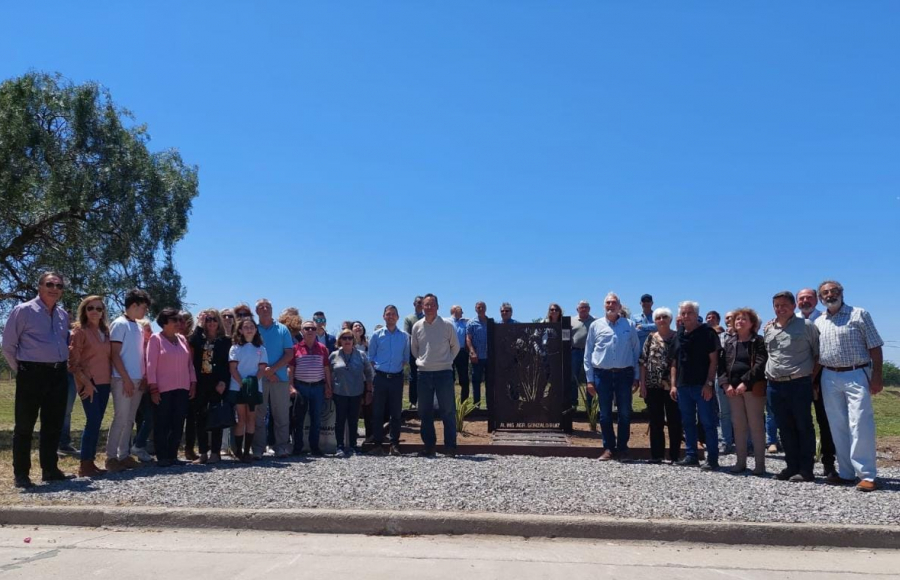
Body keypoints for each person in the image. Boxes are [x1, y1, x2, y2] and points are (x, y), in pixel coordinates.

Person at [3, 272, 73, 488]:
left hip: (58, 374)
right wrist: (22, 370)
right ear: (40, 287)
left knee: (53, 425)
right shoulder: (23, 311)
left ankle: (50, 469)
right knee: (24, 426)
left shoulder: (62, 315)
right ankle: (21, 474)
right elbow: (8, 346)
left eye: (59, 285)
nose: (55, 288)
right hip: (31, 374)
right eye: (50, 284)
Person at [815, 280, 884, 492]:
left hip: (856, 373)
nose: (829, 295)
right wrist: (813, 382)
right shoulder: (819, 321)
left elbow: (875, 346)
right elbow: (818, 356)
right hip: (828, 375)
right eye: (825, 293)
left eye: (833, 291)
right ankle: (846, 472)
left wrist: (877, 376)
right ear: (820, 298)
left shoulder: (859, 314)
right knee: (837, 425)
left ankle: (867, 475)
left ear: (841, 293)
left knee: (860, 423)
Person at [765, 291, 821, 482]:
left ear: (793, 306)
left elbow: (818, 355)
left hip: (798, 383)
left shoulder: (806, 326)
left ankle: (806, 469)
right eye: (776, 305)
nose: (780, 309)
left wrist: (810, 378)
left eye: (784, 305)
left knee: (803, 426)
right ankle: (791, 466)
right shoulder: (769, 328)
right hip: (774, 385)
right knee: (784, 427)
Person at [584, 292, 640, 461]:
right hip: (603, 375)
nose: (610, 305)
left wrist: (636, 376)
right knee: (605, 414)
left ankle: (622, 449)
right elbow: (588, 354)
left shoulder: (629, 325)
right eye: (608, 303)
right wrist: (590, 380)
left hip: (624, 374)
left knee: (624, 413)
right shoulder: (596, 326)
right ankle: (608, 448)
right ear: (604, 306)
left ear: (619, 306)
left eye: (613, 303)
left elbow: (636, 351)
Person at [105, 288, 151, 474]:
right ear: (133, 305)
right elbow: (114, 354)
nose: (145, 311)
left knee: (130, 419)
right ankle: (110, 457)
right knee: (120, 418)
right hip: (122, 378)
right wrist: (125, 379)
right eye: (143, 307)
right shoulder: (119, 324)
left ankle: (123, 455)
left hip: (137, 379)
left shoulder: (139, 327)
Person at [719, 308, 768, 476]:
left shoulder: (758, 341)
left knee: (756, 426)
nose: (739, 321)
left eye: (744, 319)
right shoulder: (729, 342)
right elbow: (722, 365)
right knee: (738, 426)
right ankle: (740, 462)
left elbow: (760, 364)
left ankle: (760, 465)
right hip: (732, 390)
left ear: (752, 323)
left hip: (752, 389)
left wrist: (745, 382)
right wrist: (725, 384)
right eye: (737, 319)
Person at [672, 301, 720, 470]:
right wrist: (673, 385)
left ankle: (712, 457)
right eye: (683, 313)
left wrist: (709, 383)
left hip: (702, 385)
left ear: (696, 314)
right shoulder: (679, 335)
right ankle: (691, 455)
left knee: (708, 422)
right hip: (683, 385)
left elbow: (714, 360)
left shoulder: (707, 332)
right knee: (688, 422)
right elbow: (674, 362)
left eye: (689, 313)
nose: (686, 316)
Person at [68, 296, 113, 477]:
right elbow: (72, 363)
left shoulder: (106, 332)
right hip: (89, 384)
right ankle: (84, 464)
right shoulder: (79, 332)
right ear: (84, 311)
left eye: (99, 309)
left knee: (97, 422)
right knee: (92, 421)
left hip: (105, 383)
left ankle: (91, 462)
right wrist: (86, 383)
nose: (95, 311)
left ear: (103, 312)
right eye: (90, 308)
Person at [146, 308, 197, 467]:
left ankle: (173, 455)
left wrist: (193, 383)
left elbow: (189, 364)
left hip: (182, 388)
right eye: (175, 320)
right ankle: (162, 456)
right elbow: (150, 365)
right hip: (163, 390)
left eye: (179, 320)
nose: (179, 323)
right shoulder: (156, 339)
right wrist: (153, 388)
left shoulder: (182, 339)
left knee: (178, 422)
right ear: (164, 323)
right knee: (162, 423)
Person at [411, 294, 460, 457]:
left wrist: (446, 361)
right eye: (426, 305)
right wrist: (424, 361)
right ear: (422, 307)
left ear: (438, 307)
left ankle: (450, 448)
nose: (429, 307)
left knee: (448, 411)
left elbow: (456, 347)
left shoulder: (447, 325)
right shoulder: (417, 326)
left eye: (432, 305)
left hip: (444, 373)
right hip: (424, 374)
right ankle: (429, 447)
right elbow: (414, 349)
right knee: (424, 412)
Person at [796, 287, 836, 477]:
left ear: (817, 300)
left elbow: (822, 352)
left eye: (809, 297)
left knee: (824, 421)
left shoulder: (824, 319)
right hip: (796, 379)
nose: (805, 301)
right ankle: (802, 462)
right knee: (799, 421)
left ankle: (829, 463)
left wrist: (812, 379)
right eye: (801, 298)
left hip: (820, 377)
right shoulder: (791, 320)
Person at [251, 299, 294, 459]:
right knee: (258, 415)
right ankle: (258, 448)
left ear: (272, 309)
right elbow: (249, 352)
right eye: (261, 307)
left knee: (281, 414)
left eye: (267, 306)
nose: (265, 309)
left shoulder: (282, 329)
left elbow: (289, 353)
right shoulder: (253, 329)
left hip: (280, 379)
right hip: (259, 378)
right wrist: (266, 372)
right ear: (256, 311)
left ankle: (281, 446)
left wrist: (273, 370)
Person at [187, 309, 231, 464]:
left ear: (218, 322)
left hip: (217, 383)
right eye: (208, 320)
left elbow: (227, 365)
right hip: (201, 382)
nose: (211, 322)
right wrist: (199, 325)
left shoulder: (225, 341)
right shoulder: (199, 338)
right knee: (201, 418)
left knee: (216, 418)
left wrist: (224, 381)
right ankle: (203, 452)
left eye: (214, 319)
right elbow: (191, 342)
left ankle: (215, 452)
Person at [639, 307, 682, 463]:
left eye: (665, 317)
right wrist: (642, 384)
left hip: (672, 386)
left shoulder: (677, 337)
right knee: (656, 420)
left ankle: (675, 455)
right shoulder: (650, 338)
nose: (661, 320)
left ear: (670, 320)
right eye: (658, 317)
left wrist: (674, 384)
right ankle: (657, 455)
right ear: (655, 321)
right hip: (652, 385)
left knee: (674, 421)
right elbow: (643, 362)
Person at [368, 305, 410, 456]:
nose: (391, 316)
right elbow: (371, 357)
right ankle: (378, 444)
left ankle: (394, 444)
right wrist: (380, 369)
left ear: (397, 317)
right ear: (383, 317)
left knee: (396, 413)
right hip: (380, 378)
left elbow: (406, 358)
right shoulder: (376, 335)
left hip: (396, 379)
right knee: (378, 412)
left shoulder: (404, 336)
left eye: (393, 314)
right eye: (388, 314)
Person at [291, 320, 332, 456]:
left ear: (316, 331)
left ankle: (315, 447)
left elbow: (326, 369)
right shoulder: (295, 348)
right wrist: (291, 387)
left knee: (316, 419)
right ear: (302, 331)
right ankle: (298, 447)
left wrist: (328, 386)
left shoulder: (322, 349)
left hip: (318, 388)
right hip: (300, 387)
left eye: (312, 329)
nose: (310, 331)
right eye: (306, 328)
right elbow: (291, 369)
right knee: (299, 419)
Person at [228, 317, 267, 463]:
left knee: (251, 418)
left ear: (256, 330)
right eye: (246, 327)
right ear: (240, 330)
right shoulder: (235, 348)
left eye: (252, 327)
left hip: (254, 389)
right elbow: (233, 368)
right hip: (238, 388)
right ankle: (238, 450)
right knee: (241, 419)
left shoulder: (261, 349)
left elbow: (262, 369)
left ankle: (247, 451)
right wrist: (243, 383)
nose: (249, 329)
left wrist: (252, 383)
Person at [331, 329, 374, 455]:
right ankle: (339, 446)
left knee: (353, 420)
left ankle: (353, 445)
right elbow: (327, 372)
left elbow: (369, 374)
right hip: (339, 393)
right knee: (339, 420)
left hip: (356, 392)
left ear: (353, 340)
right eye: (344, 338)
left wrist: (369, 391)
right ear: (340, 340)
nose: (347, 341)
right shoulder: (334, 355)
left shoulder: (361, 355)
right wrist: (328, 387)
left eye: (350, 338)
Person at [130, 319, 155, 462]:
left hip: (147, 387)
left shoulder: (152, 345)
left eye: (150, 329)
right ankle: (137, 445)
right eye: (147, 329)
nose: (150, 333)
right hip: (138, 385)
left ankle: (139, 447)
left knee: (144, 418)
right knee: (147, 417)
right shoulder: (136, 347)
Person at [570, 300, 595, 410]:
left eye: (586, 307)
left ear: (589, 309)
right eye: (581, 307)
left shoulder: (595, 321)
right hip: (575, 351)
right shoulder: (571, 321)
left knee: (589, 378)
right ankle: (573, 403)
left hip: (590, 352)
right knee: (573, 378)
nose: (584, 309)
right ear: (577, 309)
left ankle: (589, 404)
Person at [465, 301, 490, 409]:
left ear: (485, 308)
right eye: (478, 307)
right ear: (475, 309)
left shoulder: (490, 322)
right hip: (477, 357)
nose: (480, 309)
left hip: (489, 357)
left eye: (482, 307)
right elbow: (468, 339)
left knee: (490, 382)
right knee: (476, 382)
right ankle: (477, 406)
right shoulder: (471, 323)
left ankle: (490, 405)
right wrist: (472, 352)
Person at [403, 296, 425, 410]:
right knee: (414, 377)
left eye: (422, 303)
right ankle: (413, 401)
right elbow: (407, 334)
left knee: (426, 376)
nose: (420, 305)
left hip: (427, 351)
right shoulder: (409, 318)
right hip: (413, 351)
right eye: (418, 303)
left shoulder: (428, 317)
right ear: (414, 304)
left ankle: (425, 401)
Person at [447, 306, 471, 402]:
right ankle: (449, 402)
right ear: (454, 310)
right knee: (449, 378)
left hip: (462, 352)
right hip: (449, 351)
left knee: (464, 378)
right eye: (461, 310)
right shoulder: (446, 321)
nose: (463, 312)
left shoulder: (464, 322)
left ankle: (463, 402)